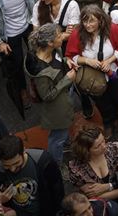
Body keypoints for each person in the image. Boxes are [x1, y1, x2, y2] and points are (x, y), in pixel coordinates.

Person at [25, 22, 77, 164]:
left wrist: (67, 61)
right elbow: (47, 95)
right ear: (49, 42)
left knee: (64, 130)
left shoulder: (54, 50)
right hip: (55, 107)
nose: (63, 37)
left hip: (64, 97)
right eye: (59, 36)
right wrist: (67, 79)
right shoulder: (40, 70)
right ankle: (57, 164)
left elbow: (59, 61)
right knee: (57, 138)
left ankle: (66, 142)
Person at [66, 125, 118, 215]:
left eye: (103, 141)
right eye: (98, 146)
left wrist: (109, 186)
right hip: (100, 208)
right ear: (86, 150)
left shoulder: (114, 149)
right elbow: (95, 196)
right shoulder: (78, 168)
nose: (104, 146)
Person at [0, 134, 64, 216]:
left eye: (16, 163)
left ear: (24, 151)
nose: (12, 169)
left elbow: (57, 189)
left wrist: (58, 211)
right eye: (6, 166)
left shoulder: (43, 160)